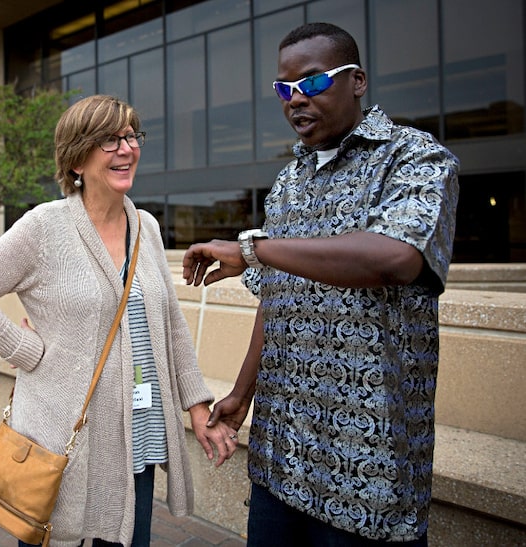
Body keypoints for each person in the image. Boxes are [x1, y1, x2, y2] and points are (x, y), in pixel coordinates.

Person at [183, 23, 459, 546]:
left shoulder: (415, 158)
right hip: (279, 461)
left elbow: (395, 258)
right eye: (284, 89)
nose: (295, 100)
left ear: (356, 80)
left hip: (367, 478)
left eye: (311, 83)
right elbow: (275, 300)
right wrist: (242, 396)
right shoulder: (290, 181)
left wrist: (251, 249)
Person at [0, 94, 237, 547]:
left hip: (137, 434)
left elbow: (171, 324)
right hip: (66, 443)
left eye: (130, 136)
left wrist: (197, 404)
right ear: (76, 158)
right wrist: (30, 353)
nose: (125, 148)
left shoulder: (147, 227)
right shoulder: (45, 227)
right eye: (107, 140)